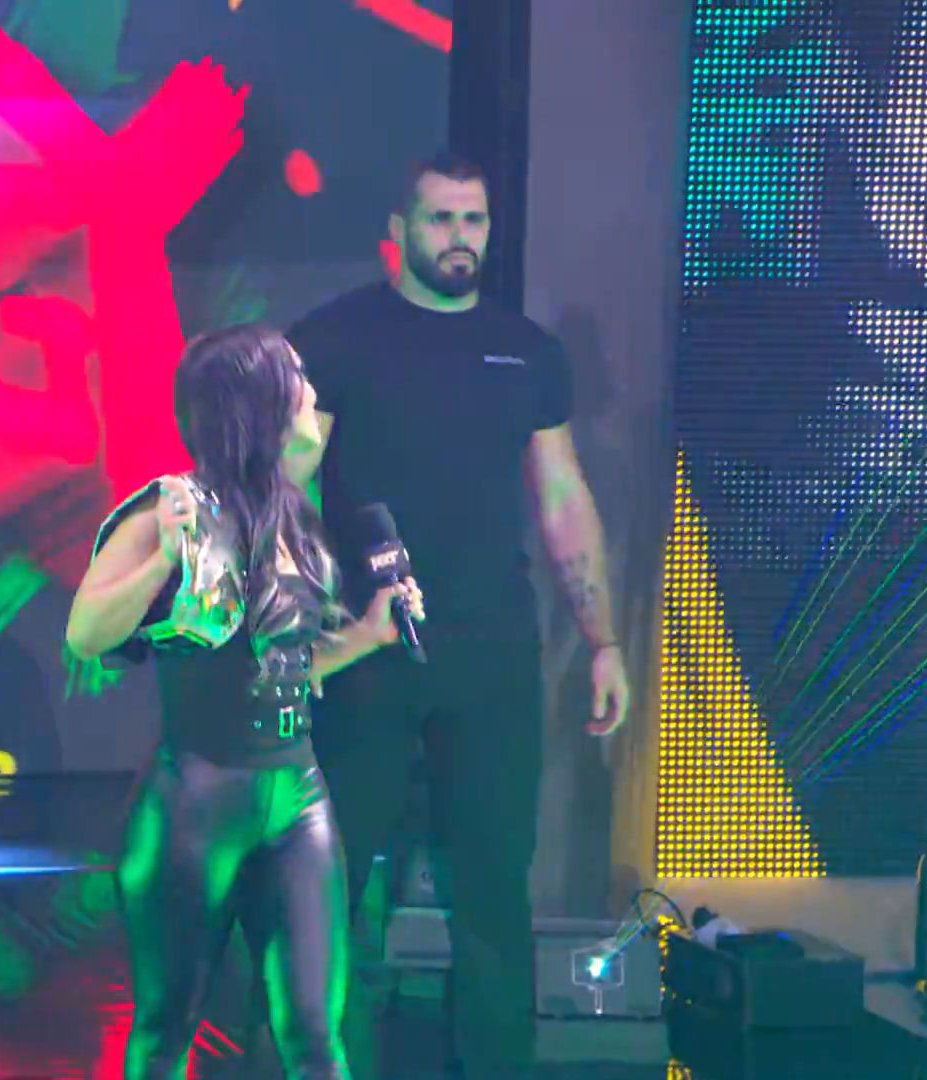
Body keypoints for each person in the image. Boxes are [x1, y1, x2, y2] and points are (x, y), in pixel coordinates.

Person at [283, 151, 631, 1079]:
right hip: (366, 651)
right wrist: (306, 620)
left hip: (491, 654)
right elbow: (288, 486)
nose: (459, 238)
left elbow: (561, 497)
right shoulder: (335, 339)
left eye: (473, 220)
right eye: (440, 219)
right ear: (400, 231)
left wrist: (601, 641)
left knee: (492, 889)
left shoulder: (525, 352)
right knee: (334, 883)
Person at [66, 323, 424, 1080]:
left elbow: (288, 663)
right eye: (297, 375)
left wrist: (371, 634)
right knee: (166, 1030)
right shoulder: (174, 508)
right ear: (260, 402)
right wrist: (160, 563)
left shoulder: (294, 512)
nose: (314, 390)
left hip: (297, 796)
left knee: (315, 1031)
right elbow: (86, 633)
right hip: (197, 802)